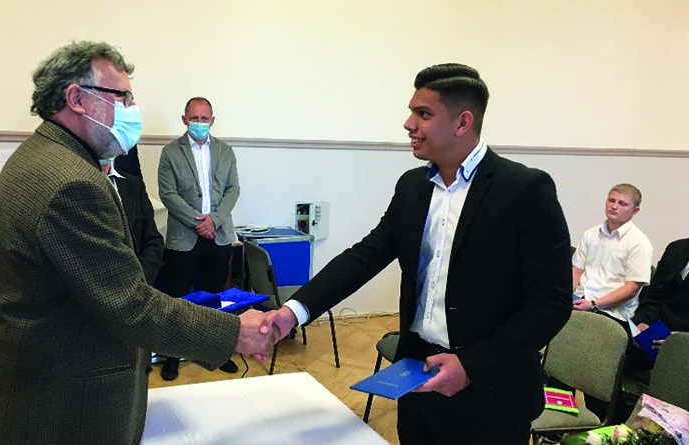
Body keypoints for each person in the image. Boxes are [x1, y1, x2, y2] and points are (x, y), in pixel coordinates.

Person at [0, 41, 272, 445]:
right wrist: (233, 331)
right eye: (122, 97)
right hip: (58, 406)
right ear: (77, 98)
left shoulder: (41, 156)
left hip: (40, 385)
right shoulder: (71, 183)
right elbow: (131, 305)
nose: (132, 109)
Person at [262, 63, 572, 445]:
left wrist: (472, 366)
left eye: (423, 114)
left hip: (490, 390)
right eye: (411, 112)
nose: (409, 124)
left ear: (462, 123)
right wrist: (292, 312)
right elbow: (366, 256)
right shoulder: (413, 186)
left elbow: (550, 303)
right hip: (417, 374)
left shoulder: (524, 190)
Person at [157, 97, 240, 381]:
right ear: (185, 120)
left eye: (205, 119)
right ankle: (172, 356)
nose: (200, 123)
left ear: (212, 121)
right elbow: (168, 194)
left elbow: (233, 190)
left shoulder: (226, 151)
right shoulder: (170, 152)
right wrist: (199, 223)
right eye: (195, 118)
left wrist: (213, 220)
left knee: (216, 298)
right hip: (183, 239)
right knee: (178, 299)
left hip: (218, 235)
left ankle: (216, 353)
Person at [572, 184, 653, 330]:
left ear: (635, 210)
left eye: (622, 203)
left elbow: (632, 288)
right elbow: (577, 270)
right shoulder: (590, 233)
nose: (614, 206)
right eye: (611, 200)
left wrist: (594, 304)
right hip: (580, 299)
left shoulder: (639, 242)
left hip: (611, 312)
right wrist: (566, 295)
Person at [629, 237, 689, 372]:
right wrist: (644, 322)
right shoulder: (676, 248)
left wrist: (680, 340)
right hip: (654, 340)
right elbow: (654, 298)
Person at [101, 157, 164, 286]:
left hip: (137, 282)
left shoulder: (133, 184)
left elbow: (152, 240)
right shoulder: (75, 184)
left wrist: (142, 279)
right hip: (98, 285)